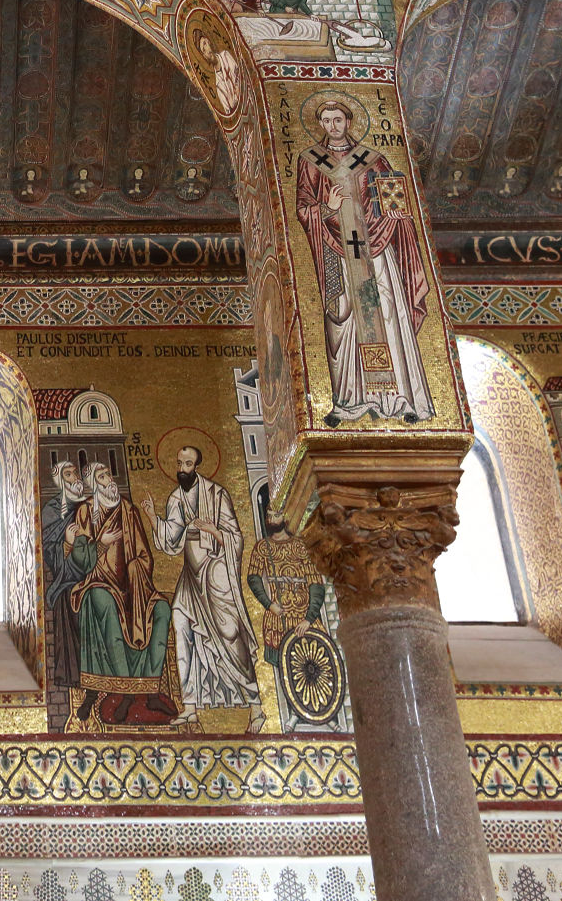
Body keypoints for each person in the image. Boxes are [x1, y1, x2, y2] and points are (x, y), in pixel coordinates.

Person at [295, 99, 434, 421]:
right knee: (343, 319)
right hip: (336, 249)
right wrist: (326, 207)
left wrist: (396, 216)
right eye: (327, 121)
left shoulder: (373, 159)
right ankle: (350, 401)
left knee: (388, 316)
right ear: (320, 125)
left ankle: (402, 400)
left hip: (377, 250)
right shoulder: (311, 161)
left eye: (338, 119)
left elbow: (393, 201)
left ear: (349, 121)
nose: (333, 126)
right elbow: (303, 208)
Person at [144, 445, 262, 731]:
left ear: (196, 466)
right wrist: (151, 516)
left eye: (187, 464)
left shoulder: (216, 494)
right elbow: (171, 541)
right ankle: (190, 707)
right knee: (181, 625)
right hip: (190, 576)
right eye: (179, 463)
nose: (181, 469)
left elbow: (235, 536)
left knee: (230, 633)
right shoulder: (175, 498)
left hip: (215, 571)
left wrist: (212, 531)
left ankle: (256, 706)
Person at [65, 462, 179, 727]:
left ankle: (149, 690)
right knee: (102, 601)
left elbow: (144, 555)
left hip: (134, 588)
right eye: (102, 476)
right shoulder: (85, 512)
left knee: (161, 609)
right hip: (99, 584)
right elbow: (80, 561)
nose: (109, 479)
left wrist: (135, 570)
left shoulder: (128, 510)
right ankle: (125, 691)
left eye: (109, 474)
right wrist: (100, 545)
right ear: (93, 483)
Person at [244, 483, 332, 732]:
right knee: (286, 667)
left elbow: (316, 583)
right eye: (269, 514)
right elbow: (253, 578)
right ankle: (294, 714)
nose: (272, 518)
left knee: (316, 664)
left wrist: (309, 617)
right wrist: (268, 603)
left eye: (277, 513)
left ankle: (323, 712)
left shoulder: (301, 546)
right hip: (278, 617)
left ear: (286, 516)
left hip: (303, 617)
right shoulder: (263, 548)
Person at [42, 460, 91, 728]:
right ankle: (80, 686)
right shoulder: (52, 510)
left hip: (96, 576)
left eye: (76, 473)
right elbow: (49, 551)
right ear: (59, 480)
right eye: (68, 474)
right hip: (67, 579)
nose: (75, 479)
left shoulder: (92, 506)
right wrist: (68, 545)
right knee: (71, 601)